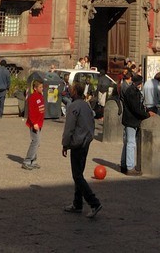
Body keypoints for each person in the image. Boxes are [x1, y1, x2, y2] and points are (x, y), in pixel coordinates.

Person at [60, 76, 102, 219]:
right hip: (86, 142)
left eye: (71, 90)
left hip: (77, 142)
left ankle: (94, 202)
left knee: (77, 175)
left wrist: (65, 144)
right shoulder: (86, 106)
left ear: (74, 92)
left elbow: (69, 128)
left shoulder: (74, 107)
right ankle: (77, 204)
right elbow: (92, 123)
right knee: (79, 174)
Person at [120, 72, 149, 175]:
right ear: (139, 83)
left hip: (129, 119)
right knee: (131, 143)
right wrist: (147, 115)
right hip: (131, 120)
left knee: (127, 142)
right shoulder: (132, 92)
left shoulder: (131, 90)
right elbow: (135, 109)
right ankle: (130, 167)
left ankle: (124, 164)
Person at [22, 77, 45, 170]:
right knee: (35, 141)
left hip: (39, 123)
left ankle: (33, 160)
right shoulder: (33, 97)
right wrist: (34, 123)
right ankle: (27, 161)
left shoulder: (40, 96)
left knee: (37, 142)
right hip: (34, 124)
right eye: (40, 87)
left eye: (42, 87)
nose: (42, 89)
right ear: (35, 88)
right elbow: (31, 111)